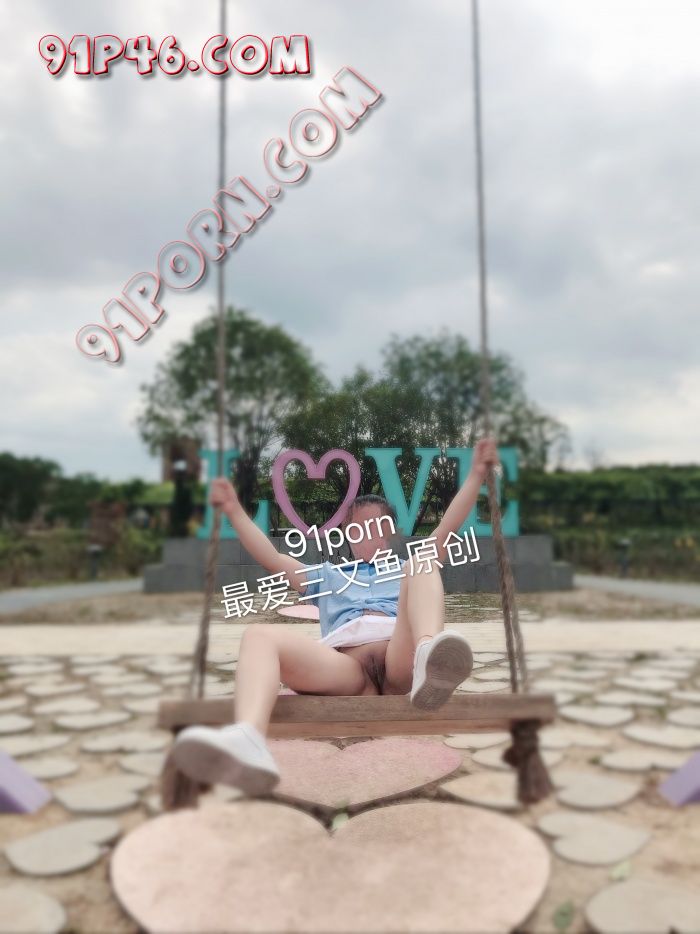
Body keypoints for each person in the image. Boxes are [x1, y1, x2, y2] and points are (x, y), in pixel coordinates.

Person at [172, 438, 500, 794]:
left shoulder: (405, 568)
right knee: (258, 636)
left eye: (378, 526)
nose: (369, 535)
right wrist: (234, 511)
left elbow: (445, 529)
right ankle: (248, 740)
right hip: (346, 671)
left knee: (424, 561)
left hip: (401, 661)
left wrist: (476, 476)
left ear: (391, 533)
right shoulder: (327, 576)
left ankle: (427, 659)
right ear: (347, 534)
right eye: (359, 528)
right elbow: (273, 558)